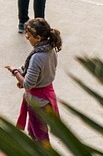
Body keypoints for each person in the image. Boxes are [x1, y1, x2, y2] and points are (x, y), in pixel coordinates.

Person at [6, 18, 62, 147]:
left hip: (37, 102)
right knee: (34, 130)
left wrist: (15, 72)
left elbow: (27, 84)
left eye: (29, 35)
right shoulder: (50, 50)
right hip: (47, 96)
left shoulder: (37, 57)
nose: (26, 37)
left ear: (38, 38)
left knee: (40, 136)